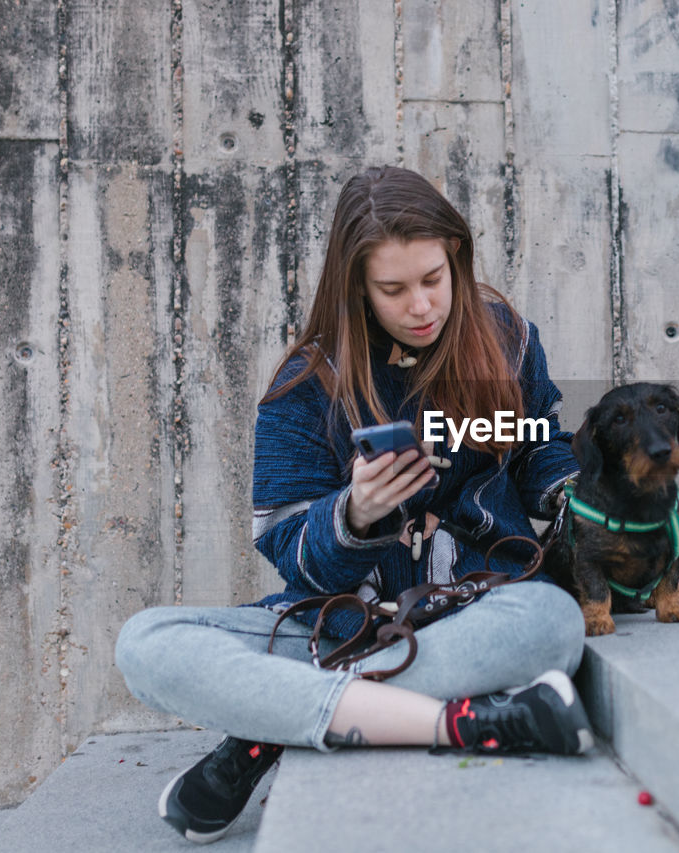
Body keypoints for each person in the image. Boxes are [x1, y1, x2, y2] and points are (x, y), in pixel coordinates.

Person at [114, 166, 590, 844]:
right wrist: (356, 514)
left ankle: (271, 724)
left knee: (551, 620)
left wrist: (571, 490)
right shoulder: (306, 384)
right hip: (342, 621)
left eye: (433, 279)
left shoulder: (506, 337)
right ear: (358, 287)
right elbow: (284, 543)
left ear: (455, 256)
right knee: (146, 643)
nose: (422, 305)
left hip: (477, 607)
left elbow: (539, 439)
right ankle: (459, 721)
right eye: (394, 290)